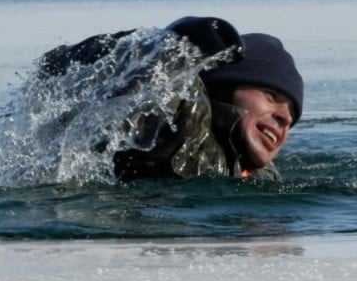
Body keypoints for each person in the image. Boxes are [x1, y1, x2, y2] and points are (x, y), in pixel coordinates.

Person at [37, 16, 303, 182]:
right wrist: (178, 44)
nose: (285, 117)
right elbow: (162, 82)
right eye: (271, 96)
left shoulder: (260, 175)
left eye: (292, 115)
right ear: (225, 89)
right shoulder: (184, 119)